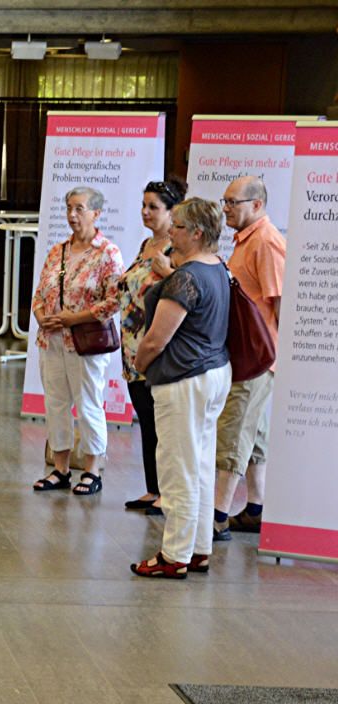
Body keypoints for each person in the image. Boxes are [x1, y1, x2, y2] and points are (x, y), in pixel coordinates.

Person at [131, 198, 231, 578]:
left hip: (183, 379)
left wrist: (139, 364)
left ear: (197, 233)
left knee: (177, 469)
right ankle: (198, 549)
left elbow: (157, 339)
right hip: (212, 373)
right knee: (200, 465)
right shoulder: (216, 268)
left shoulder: (185, 278)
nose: (170, 232)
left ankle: (173, 556)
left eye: (177, 227)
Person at [30, 186, 122, 496]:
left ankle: (92, 470)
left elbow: (113, 302)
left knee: (88, 405)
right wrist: (42, 316)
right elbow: (40, 294)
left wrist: (74, 318)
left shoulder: (108, 253)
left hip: (85, 343)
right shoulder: (58, 251)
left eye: (79, 208)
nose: (72, 215)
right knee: (56, 404)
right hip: (52, 340)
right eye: (69, 208)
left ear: (96, 213)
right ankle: (60, 469)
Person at [212, 176, 284, 540]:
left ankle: (217, 516)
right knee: (253, 433)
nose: (225, 208)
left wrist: (275, 358)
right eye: (224, 201)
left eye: (232, 202)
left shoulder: (267, 242)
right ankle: (255, 509)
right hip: (247, 355)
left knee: (234, 431)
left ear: (256, 205)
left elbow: (282, 302)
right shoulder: (247, 240)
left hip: (257, 357)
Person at [117, 177, 187, 515]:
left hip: (157, 346)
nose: (145, 212)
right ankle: (152, 487)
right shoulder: (147, 244)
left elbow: (184, 292)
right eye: (143, 206)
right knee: (145, 419)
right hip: (131, 348)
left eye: (153, 207)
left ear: (172, 213)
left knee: (163, 423)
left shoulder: (178, 251)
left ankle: (167, 493)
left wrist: (168, 271)